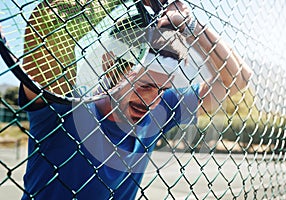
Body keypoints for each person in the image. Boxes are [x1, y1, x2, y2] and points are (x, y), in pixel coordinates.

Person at [19, 0, 253, 199]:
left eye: (162, 89)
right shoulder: (66, 107)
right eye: (144, 85)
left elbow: (239, 78)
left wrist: (191, 26)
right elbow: (48, 25)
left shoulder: (160, 112)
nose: (151, 100)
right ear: (109, 64)